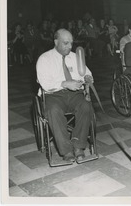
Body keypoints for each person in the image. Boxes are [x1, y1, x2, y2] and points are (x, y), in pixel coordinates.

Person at [36, 29, 94, 162]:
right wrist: (65, 83)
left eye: (71, 43)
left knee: (86, 106)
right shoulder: (44, 59)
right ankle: (66, 150)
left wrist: (88, 77)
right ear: (56, 42)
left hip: (75, 95)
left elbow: (88, 73)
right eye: (66, 43)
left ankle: (78, 146)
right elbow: (45, 84)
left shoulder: (75, 57)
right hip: (53, 95)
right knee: (53, 110)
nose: (69, 46)